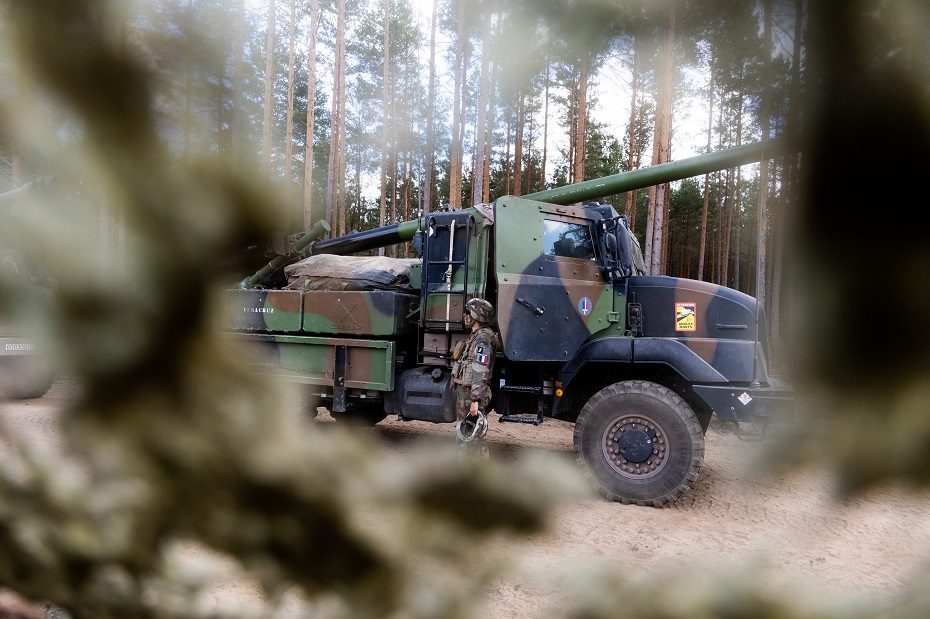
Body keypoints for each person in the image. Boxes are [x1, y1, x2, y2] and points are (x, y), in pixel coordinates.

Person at [451, 298, 498, 453]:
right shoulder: (476, 335)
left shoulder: (483, 339)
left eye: (468, 313)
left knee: (471, 436)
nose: (465, 316)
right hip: (468, 393)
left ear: (476, 316)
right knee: (465, 434)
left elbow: (480, 370)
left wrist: (475, 400)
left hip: (472, 395)